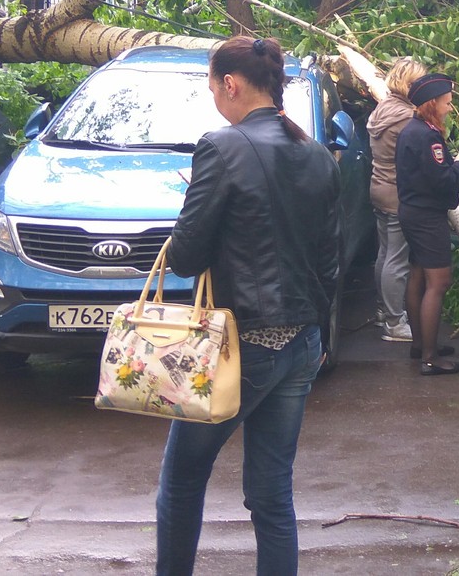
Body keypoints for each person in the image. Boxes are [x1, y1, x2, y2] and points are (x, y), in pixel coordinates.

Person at [156, 35, 342, 576]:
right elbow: (330, 259)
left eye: (213, 86)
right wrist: (320, 342)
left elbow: (186, 256)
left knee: (183, 481)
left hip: (240, 345)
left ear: (231, 84)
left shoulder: (221, 146)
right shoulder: (317, 155)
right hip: (302, 342)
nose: (213, 96)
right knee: (271, 494)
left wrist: (197, 203)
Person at [394, 73, 459, 375]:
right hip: (426, 217)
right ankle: (430, 358)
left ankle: (420, 344)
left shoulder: (413, 130)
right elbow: (441, 180)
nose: (450, 106)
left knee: (418, 274)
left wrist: (453, 169)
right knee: (438, 282)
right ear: (432, 104)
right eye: (446, 102)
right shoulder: (427, 136)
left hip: (412, 211)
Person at [367, 57, 428, 343]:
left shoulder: (383, 109)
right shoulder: (405, 117)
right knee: (397, 259)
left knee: (384, 253)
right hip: (398, 193)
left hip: (379, 187)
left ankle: (383, 310)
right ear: (408, 84)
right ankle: (394, 322)